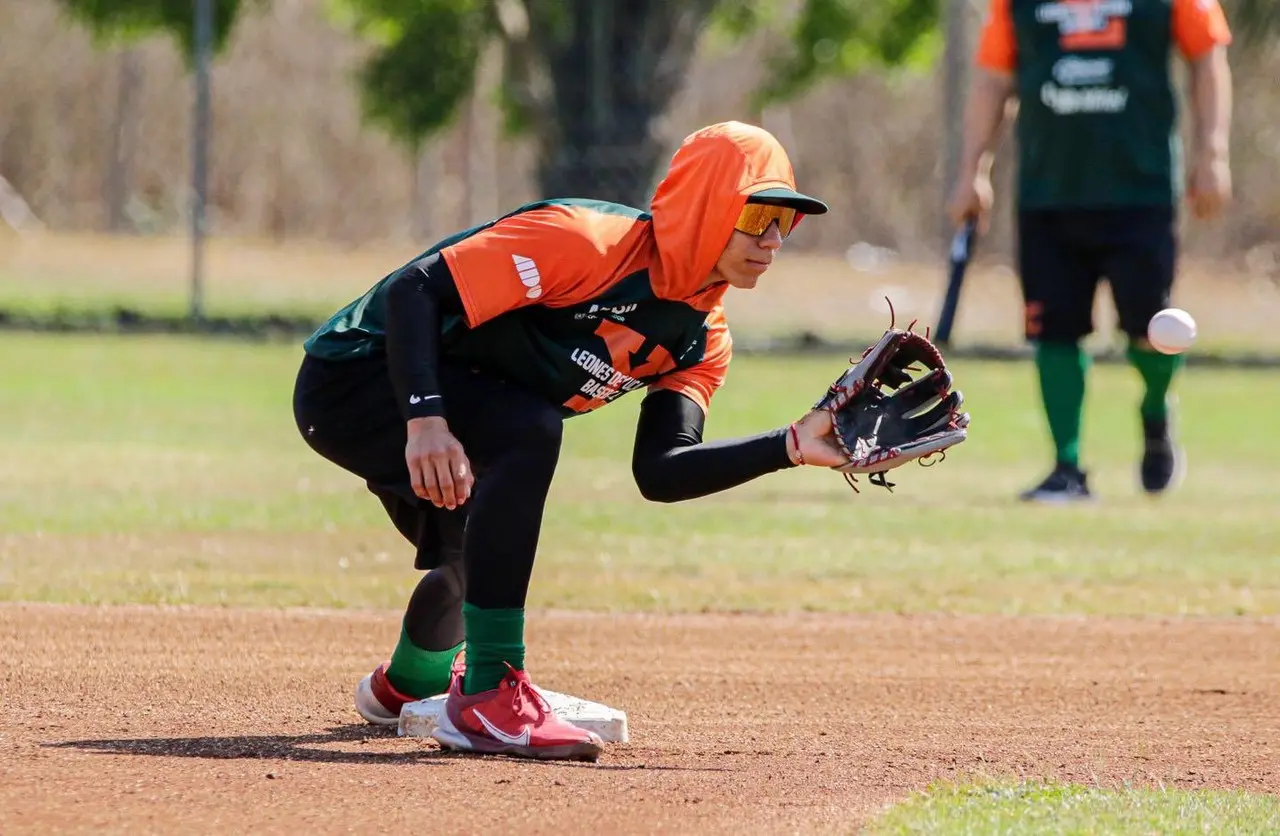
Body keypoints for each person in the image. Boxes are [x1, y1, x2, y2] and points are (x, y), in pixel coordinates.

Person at [292, 121, 845, 761]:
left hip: (456, 395)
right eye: (759, 215)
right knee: (528, 432)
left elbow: (662, 470)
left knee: (479, 548)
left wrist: (791, 445)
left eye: (787, 222)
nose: (774, 240)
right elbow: (416, 288)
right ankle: (490, 694)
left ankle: (407, 686)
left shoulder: (703, 337)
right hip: (356, 376)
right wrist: (426, 419)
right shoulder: (585, 241)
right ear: (705, 205)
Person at [947, 0, 1233, 502]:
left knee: (1151, 329)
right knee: (1054, 331)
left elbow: (1208, 56)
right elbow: (993, 78)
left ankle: (1155, 409)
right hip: (1048, 192)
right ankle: (1067, 467)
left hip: (1139, 191)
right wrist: (973, 170)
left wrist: (1212, 151)